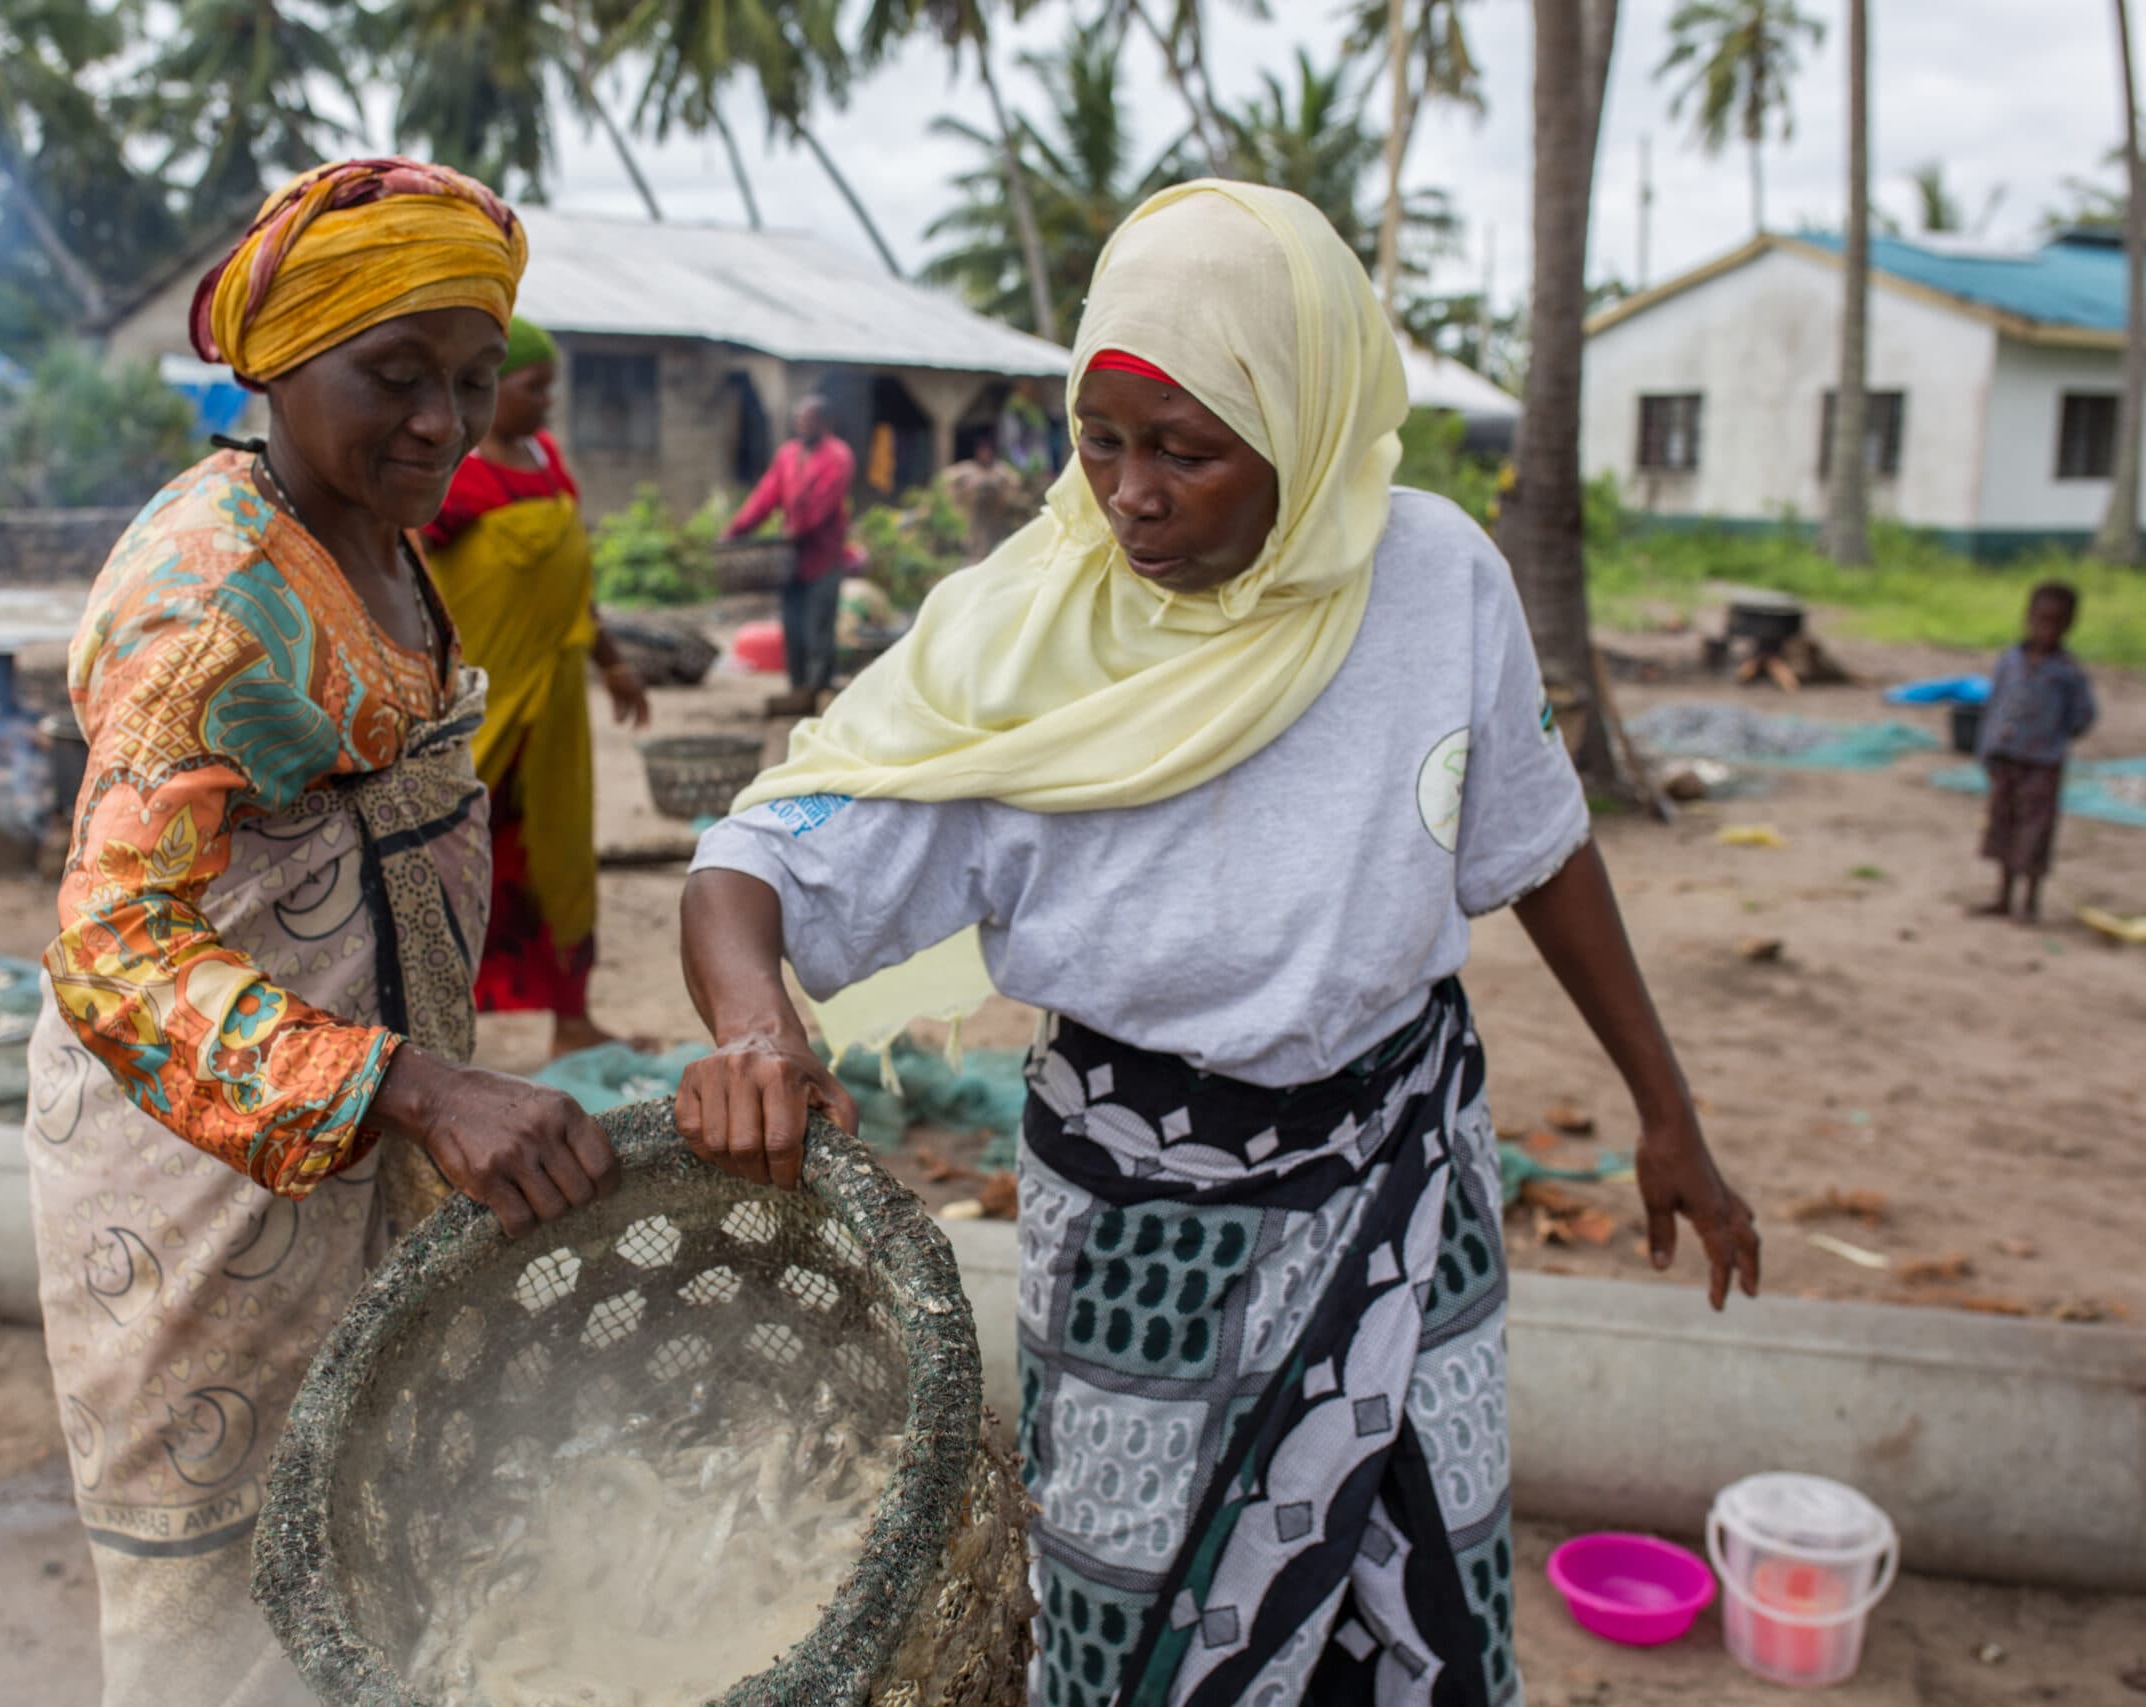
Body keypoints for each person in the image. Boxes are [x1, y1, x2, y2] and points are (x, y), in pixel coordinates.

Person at [674, 181, 1760, 1707]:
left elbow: (1539, 847)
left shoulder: (1436, 578)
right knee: (1134, 1620)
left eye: (1186, 449)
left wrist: (1671, 1113)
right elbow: (751, 862)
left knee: (1418, 1579)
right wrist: (753, 1026)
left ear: (1307, 432)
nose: (1131, 494)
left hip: (1406, 1161)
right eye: (1101, 442)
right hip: (1144, 1214)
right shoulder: (1021, 645)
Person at [22, 158, 616, 1707]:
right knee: (222, 1601)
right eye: (395, 376)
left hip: (377, 1142)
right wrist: (418, 1087)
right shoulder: (214, 592)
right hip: (210, 1187)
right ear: (278, 361)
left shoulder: (368, 522)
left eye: (475, 381)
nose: (443, 422)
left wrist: (420, 1099)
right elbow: (113, 943)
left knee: (365, 1542)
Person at [418, 314, 652, 1056]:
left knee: (560, 855)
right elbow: (400, 576)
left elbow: (572, 581)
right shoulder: (451, 479)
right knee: (448, 861)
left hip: (553, 710)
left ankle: (572, 1022)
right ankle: (434, 1032)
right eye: (533, 386)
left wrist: (611, 660)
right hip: (477, 709)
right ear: (480, 387)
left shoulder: (547, 460)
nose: (547, 403)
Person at [723, 394, 854, 716]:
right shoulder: (788, 455)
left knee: (819, 626)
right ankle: (798, 690)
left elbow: (823, 502)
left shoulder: (838, 456)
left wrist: (799, 527)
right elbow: (765, 496)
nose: (802, 426)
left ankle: (819, 689)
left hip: (824, 557)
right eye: (799, 420)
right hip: (790, 561)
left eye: (809, 421)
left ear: (825, 423)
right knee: (793, 626)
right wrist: (736, 531)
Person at [1974, 581, 2097, 924]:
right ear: (2028, 618)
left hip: (2043, 764)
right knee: (2003, 824)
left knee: (2035, 830)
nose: (2046, 629)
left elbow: (2083, 715)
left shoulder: (2068, 671)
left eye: (2056, 622)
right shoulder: (2010, 661)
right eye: (2040, 620)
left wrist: (2054, 739)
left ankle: (2030, 902)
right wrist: (1989, 749)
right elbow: (1994, 705)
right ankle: (2003, 895)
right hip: (2006, 758)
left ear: (2069, 625)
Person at [942, 431, 1032, 560]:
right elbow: (945, 480)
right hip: (971, 520)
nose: (985, 454)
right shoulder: (967, 469)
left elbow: (1016, 485)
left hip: (994, 521)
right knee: (971, 552)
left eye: (987, 451)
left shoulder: (1000, 470)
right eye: (982, 451)